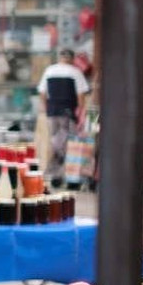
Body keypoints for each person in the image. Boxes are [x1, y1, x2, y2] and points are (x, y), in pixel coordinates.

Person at [37, 47, 91, 186]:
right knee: (68, 145)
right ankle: (69, 178)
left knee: (56, 143)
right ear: (72, 59)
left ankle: (56, 177)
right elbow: (81, 96)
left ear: (60, 58)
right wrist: (81, 113)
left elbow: (42, 92)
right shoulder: (75, 72)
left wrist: (45, 108)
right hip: (68, 112)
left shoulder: (49, 71)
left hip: (52, 113)